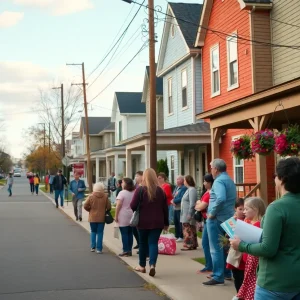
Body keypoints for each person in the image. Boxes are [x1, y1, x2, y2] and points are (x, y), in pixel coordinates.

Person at [231, 157, 300, 300]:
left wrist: (241, 245)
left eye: (275, 176)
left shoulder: (276, 208)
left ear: (282, 179)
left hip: (274, 282)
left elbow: (268, 249)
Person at [203, 158, 236, 286]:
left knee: (215, 248)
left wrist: (212, 213)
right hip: (228, 217)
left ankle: (218, 276)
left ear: (216, 169)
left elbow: (221, 198)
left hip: (216, 218)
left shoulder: (218, 181)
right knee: (225, 247)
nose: (211, 170)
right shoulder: (229, 180)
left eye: (211, 168)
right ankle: (227, 273)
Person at [130, 168, 169, 277]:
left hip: (143, 221)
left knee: (142, 243)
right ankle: (152, 265)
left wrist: (138, 209)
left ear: (144, 177)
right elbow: (165, 208)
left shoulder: (140, 190)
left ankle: (142, 266)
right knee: (153, 243)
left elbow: (132, 205)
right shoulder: (161, 191)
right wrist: (166, 223)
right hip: (157, 221)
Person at [230, 197, 266, 300]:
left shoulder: (258, 225)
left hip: (253, 260)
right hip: (248, 259)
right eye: (243, 209)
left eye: (246, 209)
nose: (244, 212)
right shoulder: (250, 222)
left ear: (256, 209)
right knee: (247, 280)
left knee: (251, 281)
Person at [84, 182, 111, 254]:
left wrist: (89, 210)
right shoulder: (105, 197)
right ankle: (99, 249)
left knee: (93, 231)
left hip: (92, 217)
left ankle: (93, 247)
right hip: (101, 218)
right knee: (100, 232)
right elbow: (109, 207)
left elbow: (85, 205)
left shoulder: (91, 196)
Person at [195, 173, 214, 273]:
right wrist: (199, 204)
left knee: (206, 243)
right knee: (206, 243)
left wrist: (199, 204)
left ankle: (209, 265)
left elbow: (200, 206)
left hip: (209, 220)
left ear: (210, 182)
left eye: (205, 181)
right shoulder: (206, 192)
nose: (204, 183)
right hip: (205, 220)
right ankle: (209, 265)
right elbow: (198, 204)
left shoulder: (210, 193)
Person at [227, 198, 245, 295]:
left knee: (243, 278)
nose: (243, 212)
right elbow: (227, 237)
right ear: (235, 209)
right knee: (237, 277)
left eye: (244, 209)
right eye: (240, 209)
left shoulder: (248, 221)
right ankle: (238, 294)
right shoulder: (232, 221)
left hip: (244, 255)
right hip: (235, 253)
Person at [115, 178, 135, 257]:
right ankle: (129, 250)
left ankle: (125, 250)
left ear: (126, 184)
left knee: (124, 233)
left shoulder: (122, 193)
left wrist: (116, 216)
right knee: (130, 233)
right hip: (131, 214)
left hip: (123, 214)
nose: (121, 183)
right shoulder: (134, 192)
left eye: (123, 182)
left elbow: (118, 205)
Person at [180, 175, 198, 251]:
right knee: (189, 228)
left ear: (187, 181)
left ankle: (189, 244)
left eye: (184, 180)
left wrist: (190, 213)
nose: (183, 182)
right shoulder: (188, 190)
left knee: (188, 229)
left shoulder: (191, 190)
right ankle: (193, 243)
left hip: (188, 213)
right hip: (185, 212)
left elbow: (192, 202)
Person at [171, 175, 187, 242]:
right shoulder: (177, 187)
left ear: (182, 180)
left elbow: (181, 198)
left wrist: (174, 201)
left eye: (178, 179)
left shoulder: (183, 188)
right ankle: (177, 235)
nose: (177, 180)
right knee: (176, 222)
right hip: (175, 207)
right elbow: (173, 195)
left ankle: (181, 236)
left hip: (180, 207)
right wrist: (172, 200)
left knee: (180, 222)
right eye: (177, 179)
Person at [133, 171, 144, 250]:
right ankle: (138, 242)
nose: (135, 178)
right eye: (135, 176)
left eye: (137, 176)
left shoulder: (143, 186)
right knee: (134, 228)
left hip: (141, 210)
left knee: (140, 230)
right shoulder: (136, 185)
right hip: (135, 209)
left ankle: (142, 246)